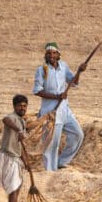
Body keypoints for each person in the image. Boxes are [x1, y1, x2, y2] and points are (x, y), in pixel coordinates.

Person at [32, 42, 86, 171]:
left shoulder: (64, 66)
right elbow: (37, 91)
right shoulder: (41, 70)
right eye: (49, 53)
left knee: (78, 134)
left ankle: (61, 162)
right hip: (50, 112)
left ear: (58, 55)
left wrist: (79, 71)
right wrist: (56, 96)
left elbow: (74, 82)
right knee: (51, 144)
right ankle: (50, 172)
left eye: (54, 53)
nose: (51, 55)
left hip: (64, 110)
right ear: (46, 55)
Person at [0, 94, 37, 202]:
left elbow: (19, 145)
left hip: (15, 157)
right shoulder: (12, 118)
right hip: (8, 157)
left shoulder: (22, 122)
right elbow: (5, 119)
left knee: (16, 189)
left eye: (24, 106)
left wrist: (26, 162)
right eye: (20, 106)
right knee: (13, 190)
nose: (22, 108)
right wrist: (18, 129)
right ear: (14, 106)